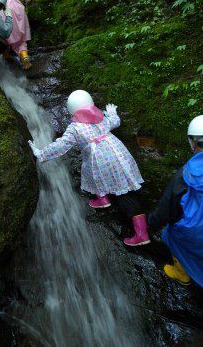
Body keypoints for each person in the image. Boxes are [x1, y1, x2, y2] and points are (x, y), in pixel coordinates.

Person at [28, 90, 149, 246]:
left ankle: (139, 233)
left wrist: (41, 154)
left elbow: (61, 145)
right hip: (120, 155)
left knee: (103, 179)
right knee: (124, 186)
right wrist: (112, 113)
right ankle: (108, 201)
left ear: (72, 110)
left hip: (99, 160)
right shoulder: (102, 119)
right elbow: (115, 121)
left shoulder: (75, 128)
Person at [147, 115, 203, 287]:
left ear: (192, 142)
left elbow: (165, 209)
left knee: (170, 234)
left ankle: (182, 271)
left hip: (196, 235)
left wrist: (148, 228)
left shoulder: (185, 175)